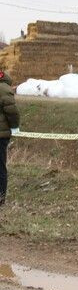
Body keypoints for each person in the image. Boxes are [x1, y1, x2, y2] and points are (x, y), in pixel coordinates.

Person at [0, 71, 20, 206]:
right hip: (1, 135)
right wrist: (14, 126)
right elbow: (12, 111)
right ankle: (1, 197)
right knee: (1, 167)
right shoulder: (5, 89)